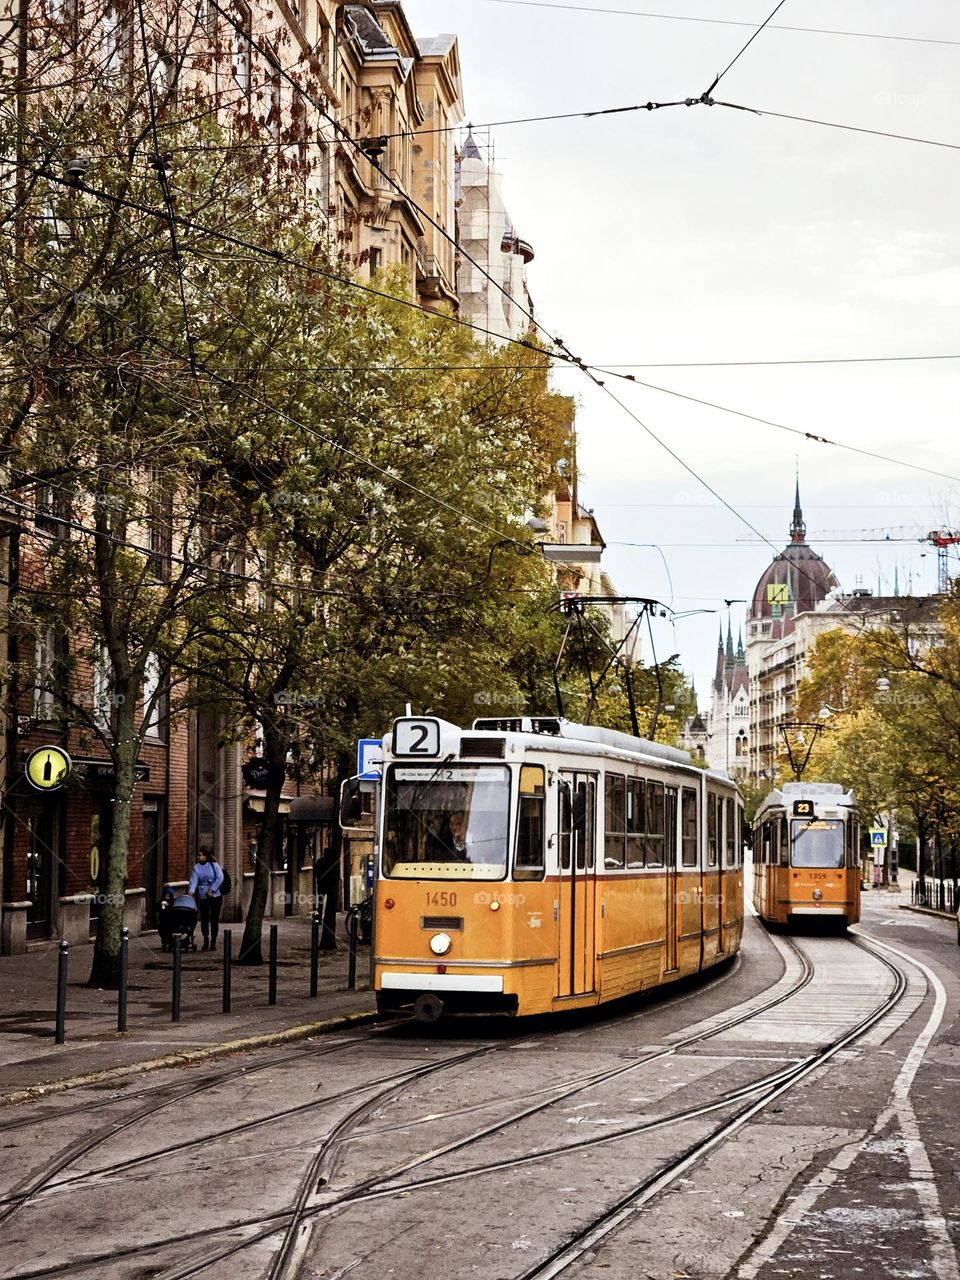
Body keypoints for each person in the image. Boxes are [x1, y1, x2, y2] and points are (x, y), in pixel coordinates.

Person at [188, 845, 224, 950]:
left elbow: (220, 878)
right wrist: (191, 890)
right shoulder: (196, 867)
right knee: (204, 918)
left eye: (200, 855)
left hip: (215, 895)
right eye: (197, 855)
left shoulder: (214, 865)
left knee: (214, 919)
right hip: (203, 896)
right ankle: (206, 939)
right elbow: (194, 880)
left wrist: (212, 889)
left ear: (205, 856)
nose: (198, 857)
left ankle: (213, 941)